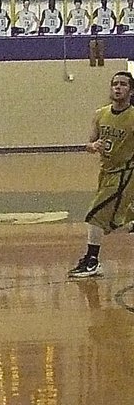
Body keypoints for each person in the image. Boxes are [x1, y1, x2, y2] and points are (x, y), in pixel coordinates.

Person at [69, 71, 134, 279]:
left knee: (94, 215)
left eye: (123, 84)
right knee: (114, 221)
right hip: (106, 172)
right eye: (115, 84)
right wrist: (92, 146)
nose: (118, 87)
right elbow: (89, 143)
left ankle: (92, 261)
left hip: (125, 174)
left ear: (131, 91)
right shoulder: (100, 114)